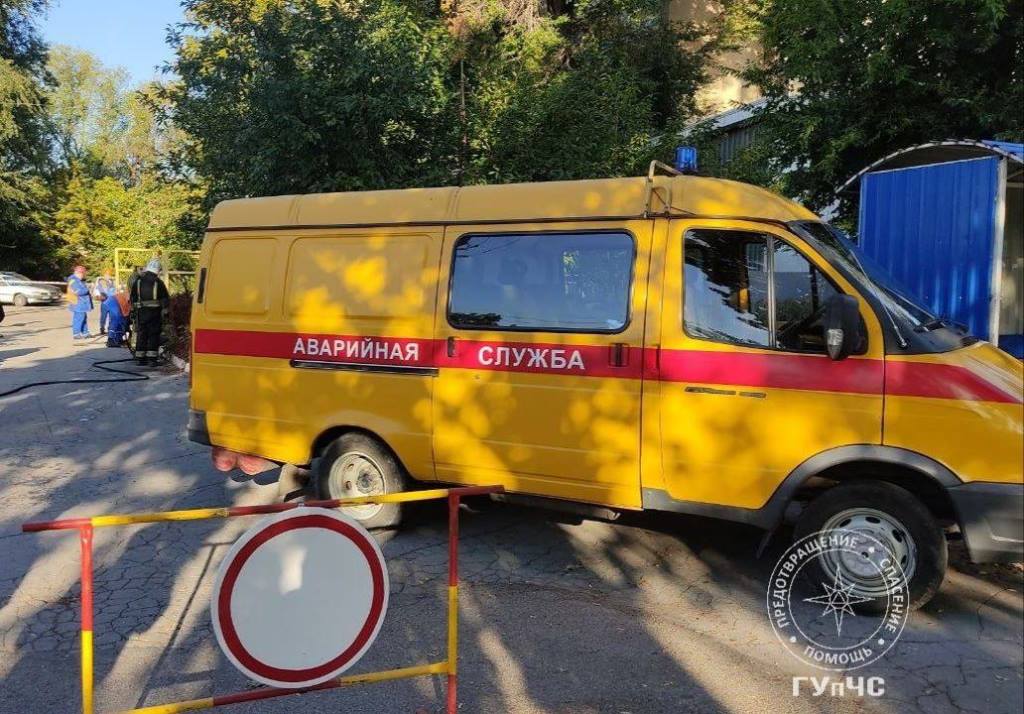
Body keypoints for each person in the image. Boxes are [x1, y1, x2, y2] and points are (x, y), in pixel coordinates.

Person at [130, 258, 169, 366]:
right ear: (157, 270)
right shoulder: (158, 282)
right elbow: (165, 298)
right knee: (153, 334)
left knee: (141, 334)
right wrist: (165, 311)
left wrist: (133, 311)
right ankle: (152, 359)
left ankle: (140, 358)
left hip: (141, 313)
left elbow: (133, 298)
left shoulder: (138, 282)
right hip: (154, 314)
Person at [66, 265, 93, 341]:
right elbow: (79, 292)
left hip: (81, 303)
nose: (83, 276)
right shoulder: (74, 281)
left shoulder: (77, 280)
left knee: (83, 318)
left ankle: (85, 333)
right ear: (79, 273)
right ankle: (76, 334)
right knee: (78, 318)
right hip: (78, 303)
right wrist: (87, 289)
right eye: (83, 274)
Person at [94, 269, 117, 335]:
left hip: (111, 301)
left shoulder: (112, 282)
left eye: (109, 275)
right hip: (105, 302)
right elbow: (100, 291)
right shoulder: (101, 283)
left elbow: (114, 291)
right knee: (103, 316)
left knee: (111, 316)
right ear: (104, 275)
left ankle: (110, 329)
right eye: (106, 275)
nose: (107, 276)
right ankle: (102, 328)